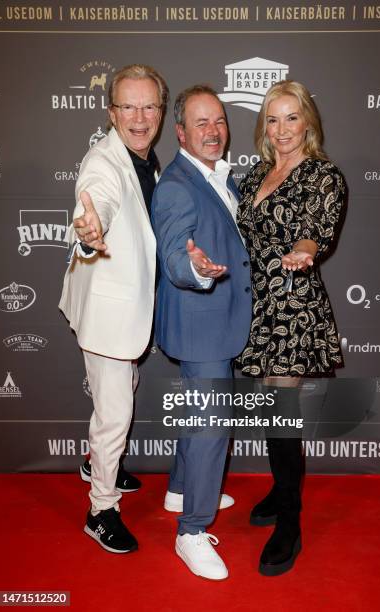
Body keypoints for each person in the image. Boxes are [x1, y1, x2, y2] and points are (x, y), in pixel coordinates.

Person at [236, 80, 345, 576]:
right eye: (272, 119)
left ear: (308, 122)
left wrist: (304, 250)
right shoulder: (255, 173)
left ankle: (290, 524)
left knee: (280, 413)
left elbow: (313, 232)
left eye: (291, 118)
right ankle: (282, 492)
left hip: (293, 306)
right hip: (255, 306)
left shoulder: (324, 176)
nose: (281, 130)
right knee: (270, 411)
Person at [59, 64, 168, 554]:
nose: (140, 117)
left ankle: (97, 462)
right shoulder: (104, 162)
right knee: (115, 413)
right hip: (108, 310)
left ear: (161, 112)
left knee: (122, 392)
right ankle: (101, 508)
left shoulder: (147, 158)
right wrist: (89, 233)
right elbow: (96, 204)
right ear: (111, 112)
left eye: (149, 106)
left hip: (125, 305)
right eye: (128, 106)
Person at [151, 85, 252, 580]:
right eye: (201, 124)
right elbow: (174, 255)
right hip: (200, 323)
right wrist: (197, 270)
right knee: (212, 425)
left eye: (219, 121)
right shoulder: (176, 186)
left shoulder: (218, 177)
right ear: (181, 133)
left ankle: (179, 490)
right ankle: (192, 530)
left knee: (199, 416)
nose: (213, 132)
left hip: (218, 322)